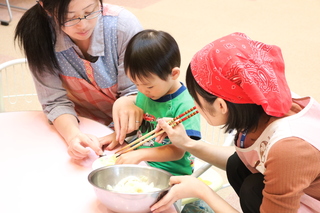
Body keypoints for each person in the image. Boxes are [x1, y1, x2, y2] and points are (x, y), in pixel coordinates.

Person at [151, 32, 320, 213]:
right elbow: (253, 160)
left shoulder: (289, 148)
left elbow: (279, 160)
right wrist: (186, 143)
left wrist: (202, 191)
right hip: (301, 189)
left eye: (196, 99)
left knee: (251, 190)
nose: (195, 106)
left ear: (221, 105)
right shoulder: (261, 99)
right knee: (236, 166)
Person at [14, 0, 144, 160]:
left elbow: (136, 91)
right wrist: (73, 136)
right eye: (69, 18)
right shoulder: (37, 34)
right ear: (46, 8)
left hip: (131, 129)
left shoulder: (122, 27)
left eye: (89, 12)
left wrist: (128, 101)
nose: (82, 25)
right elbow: (54, 102)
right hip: (83, 124)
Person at [100, 29, 201, 176]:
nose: (141, 90)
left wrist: (140, 155)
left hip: (171, 171)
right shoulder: (146, 92)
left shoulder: (185, 105)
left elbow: (178, 151)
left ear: (174, 74)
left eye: (148, 86)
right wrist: (117, 136)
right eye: (136, 84)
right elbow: (142, 127)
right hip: (143, 162)